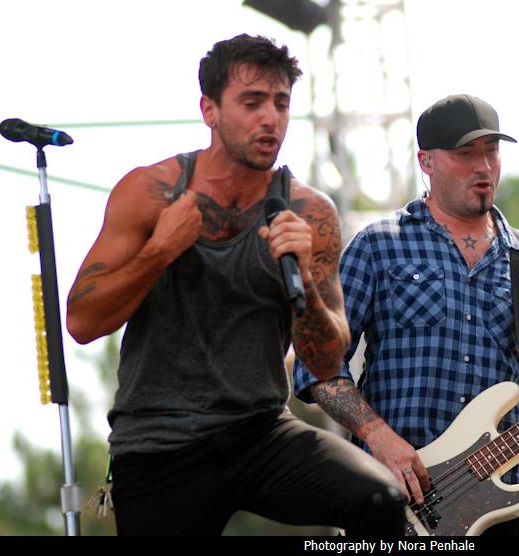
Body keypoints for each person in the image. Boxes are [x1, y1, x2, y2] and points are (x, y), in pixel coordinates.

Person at [65, 33, 405, 536]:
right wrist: (161, 250)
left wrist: (304, 280)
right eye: (252, 102)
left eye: (281, 103)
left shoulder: (309, 212)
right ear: (210, 110)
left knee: (378, 500)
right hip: (159, 442)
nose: (270, 118)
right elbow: (82, 321)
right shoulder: (150, 192)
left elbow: (326, 362)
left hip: (261, 432)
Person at [293, 94, 519, 536]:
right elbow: (317, 367)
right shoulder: (378, 245)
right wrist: (379, 438)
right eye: (466, 153)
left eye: (491, 151)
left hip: (503, 502)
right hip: (399, 500)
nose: (483, 166)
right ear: (426, 162)